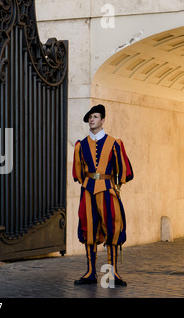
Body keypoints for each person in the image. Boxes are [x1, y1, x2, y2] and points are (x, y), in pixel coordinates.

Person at [72, 104, 133, 286]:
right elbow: (78, 172)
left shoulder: (115, 143)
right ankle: (91, 272)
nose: (92, 119)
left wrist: (115, 187)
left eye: (96, 116)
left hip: (108, 189)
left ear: (103, 120)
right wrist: (86, 183)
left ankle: (112, 274)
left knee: (113, 229)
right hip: (88, 189)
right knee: (88, 229)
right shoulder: (81, 145)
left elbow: (123, 169)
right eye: (90, 117)